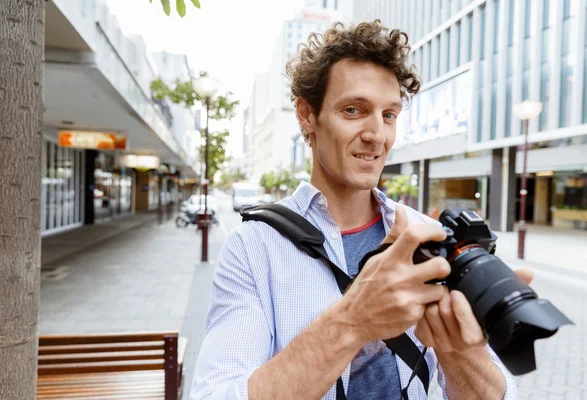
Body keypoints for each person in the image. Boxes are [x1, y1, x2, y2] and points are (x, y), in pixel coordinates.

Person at [190, 20, 531, 400]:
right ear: (307, 115)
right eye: (354, 110)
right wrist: (352, 321)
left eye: (389, 115)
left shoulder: (424, 233)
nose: (377, 135)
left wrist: (457, 350)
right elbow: (216, 394)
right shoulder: (253, 246)